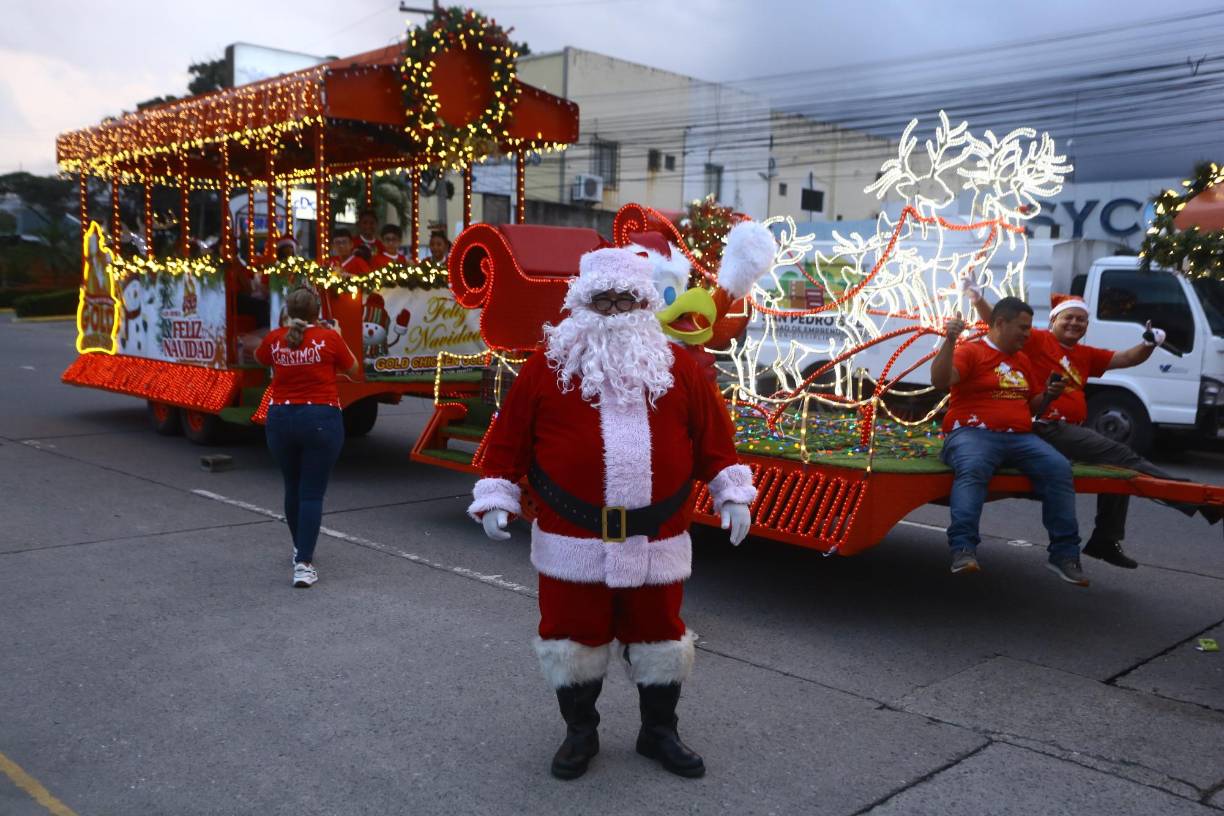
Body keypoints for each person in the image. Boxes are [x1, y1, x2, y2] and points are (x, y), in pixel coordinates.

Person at [467, 247, 755, 780]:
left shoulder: (681, 369)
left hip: (657, 539)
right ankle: (580, 734)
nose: (616, 311)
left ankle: (658, 732)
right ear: (582, 303)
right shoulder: (546, 366)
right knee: (573, 639)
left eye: (627, 300)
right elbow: (508, 438)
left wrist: (731, 492)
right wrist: (497, 493)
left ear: (646, 304)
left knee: (660, 637)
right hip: (571, 540)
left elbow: (715, 440)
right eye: (604, 300)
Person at [966, 286, 1217, 568]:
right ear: (1053, 322)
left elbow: (1127, 358)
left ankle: (1105, 540)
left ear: (1087, 325)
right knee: (1122, 455)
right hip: (1046, 426)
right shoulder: (1037, 341)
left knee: (1119, 469)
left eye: (1080, 320)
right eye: (1068, 318)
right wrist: (977, 300)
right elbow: (999, 320)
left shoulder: (1086, 354)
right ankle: (1196, 497)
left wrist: (1149, 343)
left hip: (1069, 431)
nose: (1074, 323)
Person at [931, 297, 1087, 585]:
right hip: (971, 432)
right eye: (1023, 328)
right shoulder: (971, 351)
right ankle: (963, 549)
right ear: (1000, 323)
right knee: (974, 467)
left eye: (1029, 329)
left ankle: (1065, 555)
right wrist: (949, 341)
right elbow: (941, 380)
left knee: (1059, 468)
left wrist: (1050, 394)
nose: (1028, 335)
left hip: (1019, 437)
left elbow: (1032, 405)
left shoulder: (1022, 360)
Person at [255, 287, 359, 588]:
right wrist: (337, 333)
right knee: (312, 493)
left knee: (292, 486)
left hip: (281, 418)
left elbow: (260, 358)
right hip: (320, 418)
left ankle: (300, 549)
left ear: (288, 311)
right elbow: (353, 368)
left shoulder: (276, 338)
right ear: (317, 312)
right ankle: (303, 563)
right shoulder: (329, 338)